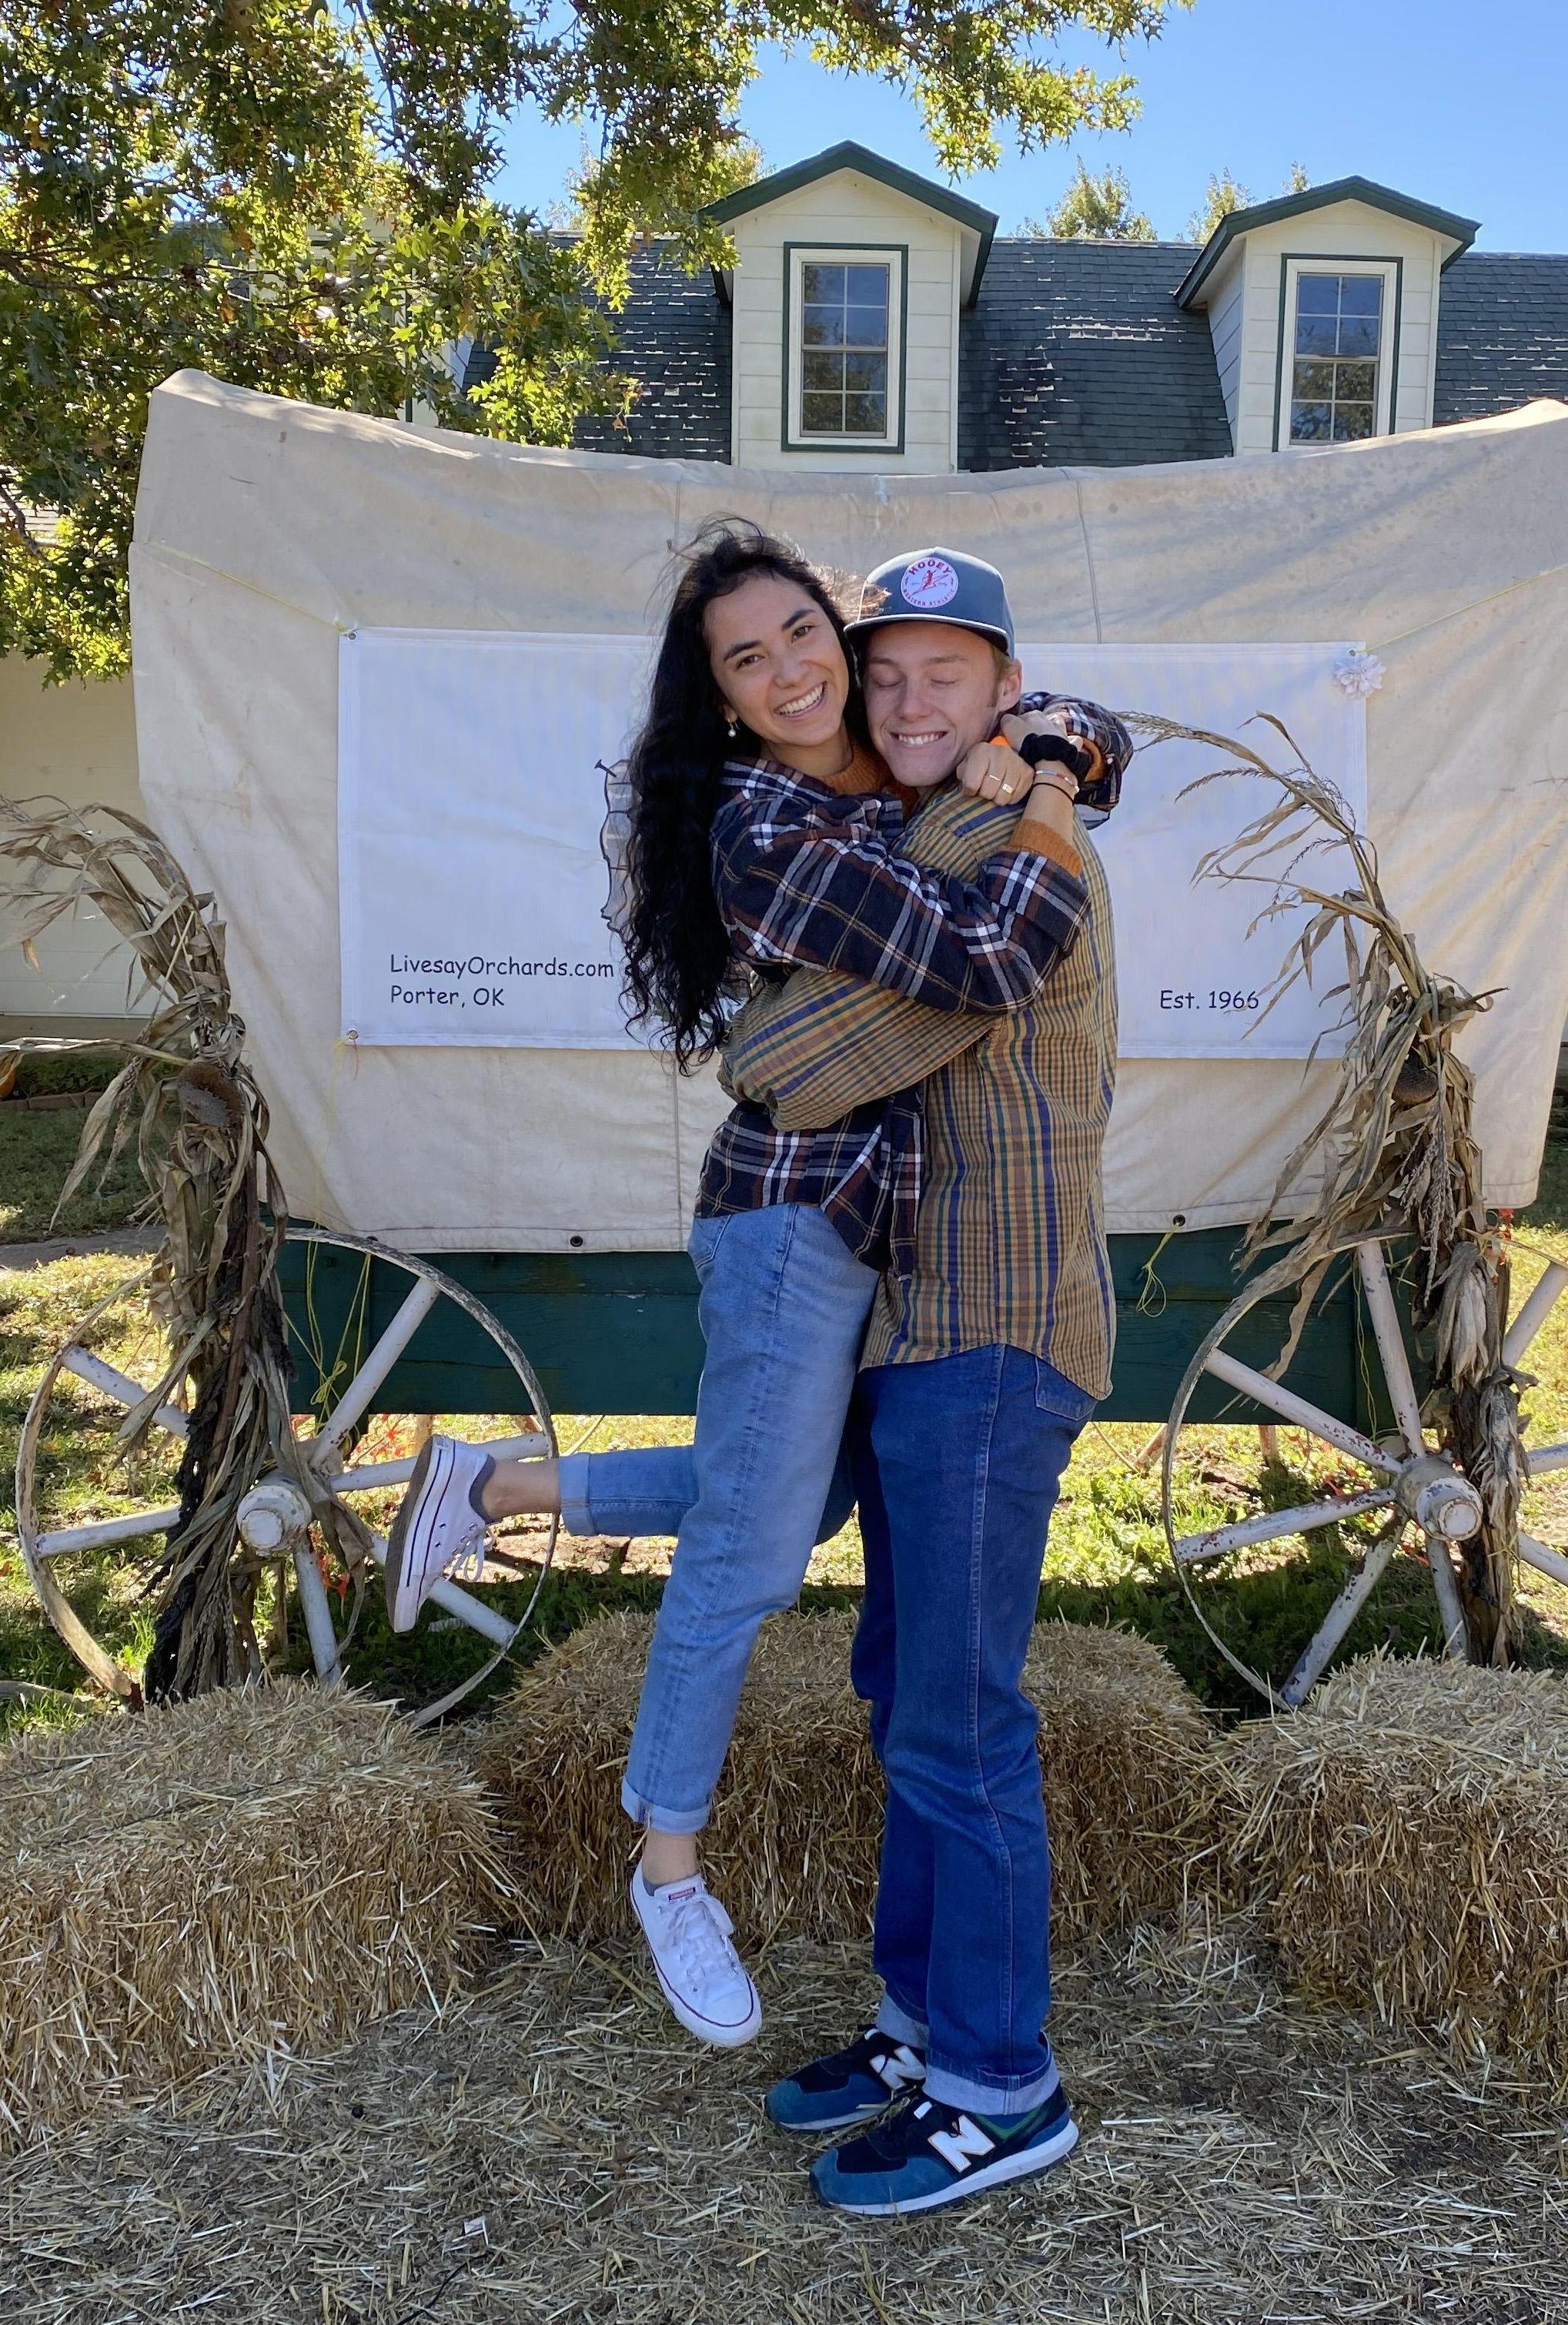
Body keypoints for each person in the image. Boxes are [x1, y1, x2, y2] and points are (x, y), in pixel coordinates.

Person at [384, 524, 1127, 2054]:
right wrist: (1045, 794)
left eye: (806, 635)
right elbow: (969, 966)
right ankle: (665, 1861)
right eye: (749, 657)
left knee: (799, 1500)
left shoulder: (907, 765)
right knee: (747, 1552)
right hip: (792, 1216)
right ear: (717, 697)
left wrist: (1056, 747)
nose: (793, 671)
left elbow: (1080, 721)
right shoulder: (767, 822)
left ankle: (499, 1486)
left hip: (883, 1238)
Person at [718, 556, 1118, 2216]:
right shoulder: (957, 813)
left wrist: (760, 1035)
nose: (904, 703)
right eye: (884, 676)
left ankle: (999, 2087)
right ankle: (919, 2023)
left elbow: (792, 1062)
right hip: (922, 1323)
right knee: (907, 1698)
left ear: (1003, 684)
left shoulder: (994, 834)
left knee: (959, 1723)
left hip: (993, 1331)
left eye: (942, 675)